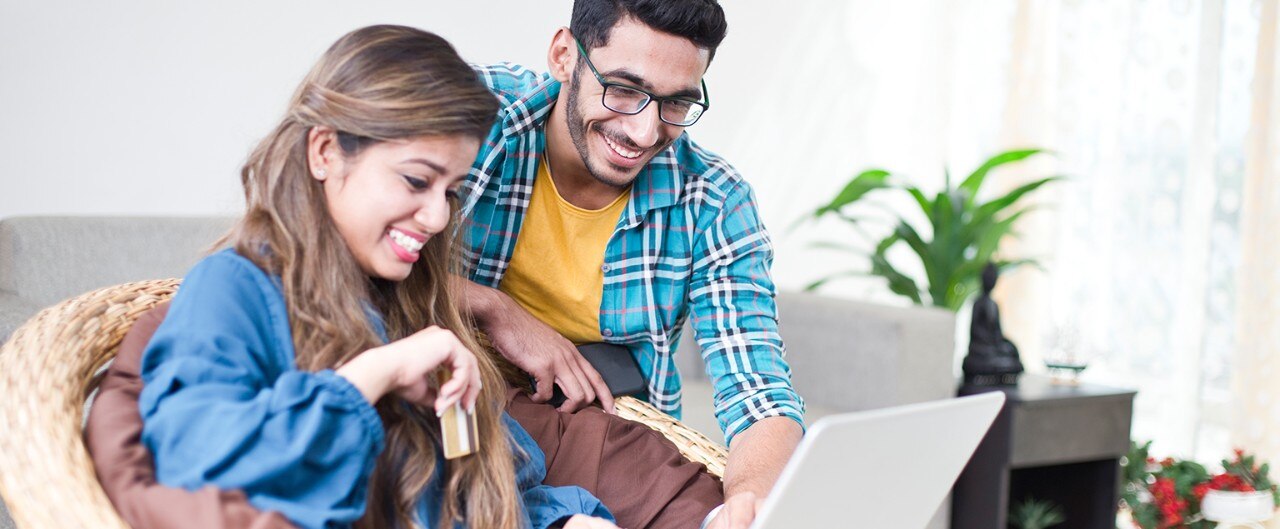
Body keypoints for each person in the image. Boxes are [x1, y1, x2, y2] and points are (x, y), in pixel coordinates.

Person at [130, 24, 619, 529]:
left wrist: (566, 522)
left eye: (449, 191)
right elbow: (189, 465)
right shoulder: (233, 290)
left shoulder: (412, 303)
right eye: (415, 180)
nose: (437, 218)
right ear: (324, 153)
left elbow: (485, 497)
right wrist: (374, 374)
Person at [456, 1, 805, 527]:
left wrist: (750, 500)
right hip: (456, 391)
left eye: (677, 104)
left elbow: (757, 391)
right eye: (623, 89)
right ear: (564, 56)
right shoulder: (475, 112)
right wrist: (490, 306)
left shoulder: (713, 200)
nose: (644, 134)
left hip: (606, 428)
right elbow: (320, 244)